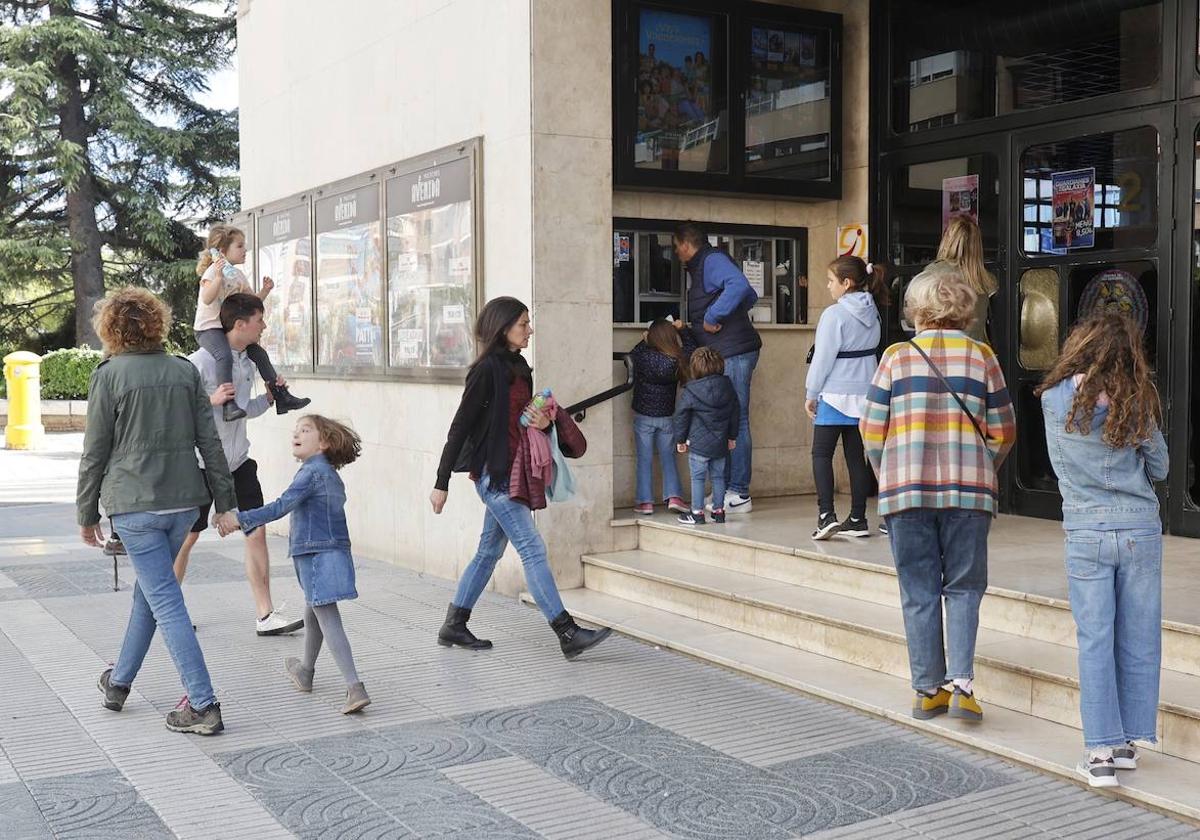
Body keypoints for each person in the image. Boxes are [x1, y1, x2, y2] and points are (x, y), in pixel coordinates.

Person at [860, 267, 1016, 723]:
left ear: (916, 310)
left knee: (918, 590)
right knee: (965, 588)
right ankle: (963, 686)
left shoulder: (895, 357)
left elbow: (871, 429)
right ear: (965, 310)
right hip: (969, 492)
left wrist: (887, 471)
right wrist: (984, 466)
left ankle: (928, 690)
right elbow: (1004, 429)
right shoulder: (982, 356)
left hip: (906, 491)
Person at [78, 287, 236, 736]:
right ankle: (119, 683)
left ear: (110, 327)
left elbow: (95, 451)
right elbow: (210, 442)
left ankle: (203, 704)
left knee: (164, 599)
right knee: (150, 594)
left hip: (135, 506)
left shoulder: (108, 375)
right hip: (184, 502)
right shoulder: (184, 371)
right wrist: (225, 502)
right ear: (156, 323)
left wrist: (86, 512)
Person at [431, 297, 612, 659]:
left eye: (528, 323)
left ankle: (454, 624)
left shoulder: (519, 366)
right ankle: (566, 632)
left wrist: (537, 419)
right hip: (496, 476)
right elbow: (461, 425)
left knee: (488, 551)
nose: (530, 330)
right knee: (532, 548)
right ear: (503, 328)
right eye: (523, 324)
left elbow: (511, 421)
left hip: (514, 471)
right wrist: (441, 481)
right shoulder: (487, 370)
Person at [1037, 312, 1168, 789]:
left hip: (1086, 530)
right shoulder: (1137, 399)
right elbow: (1163, 465)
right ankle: (1129, 743)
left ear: (1079, 346)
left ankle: (1100, 755)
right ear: (1130, 353)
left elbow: (1056, 463)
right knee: (1138, 636)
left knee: (1095, 638)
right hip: (1139, 530)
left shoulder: (1053, 399)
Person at [174, 294, 305, 637]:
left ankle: (266, 614)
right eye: (260, 320)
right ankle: (167, 614)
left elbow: (245, 410)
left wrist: (270, 399)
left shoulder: (247, 363)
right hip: (201, 465)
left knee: (256, 531)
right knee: (185, 539)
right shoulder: (199, 362)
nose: (264, 326)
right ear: (240, 324)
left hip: (240, 463)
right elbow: (175, 410)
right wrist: (210, 400)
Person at [227, 415, 370, 715]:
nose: (297, 433)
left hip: (316, 553)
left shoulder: (311, 473)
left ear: (324, 443)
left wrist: (240, 519)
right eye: (296, 430)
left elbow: (282, 505)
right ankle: (305, 671)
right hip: (332, 551)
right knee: (315, 608)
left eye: (306, 430)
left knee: (328, 616)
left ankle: (355, 686)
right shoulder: (329, 474)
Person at [672, 222, 761, 513]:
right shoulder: (705, 265)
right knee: (726, 418)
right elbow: (749, 297)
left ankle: (739, 491)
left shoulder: (712, 261)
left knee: (738, 418)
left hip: (734, 351)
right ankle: (727, 490)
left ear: (685, 245)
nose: (676, 254)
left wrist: (712, 315)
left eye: (676, 248)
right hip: (729, 350)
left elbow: (741, 287)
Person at [805, 256, 888, 540]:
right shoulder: (873, 312)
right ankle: (858, 517)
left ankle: (826, 514)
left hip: (835, 392)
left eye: (831, 281)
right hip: (865, 393)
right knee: (856, 456)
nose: (828, 286)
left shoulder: (834, 315)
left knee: (821, 453)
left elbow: (823, 359)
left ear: (846, 283)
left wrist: (811, 392)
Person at [195, 223, 309, 421]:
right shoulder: (213, 272)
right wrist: (219, 278)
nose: (244, 250)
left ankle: (281, 395)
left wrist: (265, 291)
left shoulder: (237, 275)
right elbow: (207, 298)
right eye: (239, 246)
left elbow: (251, 304)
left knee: (259, 353)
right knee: (224, 356)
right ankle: (228, 404)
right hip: (209, 329)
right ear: (222, 251)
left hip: (226, 328)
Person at [629, 318, 695, 515]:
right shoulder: (677, 358)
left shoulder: (643, 356)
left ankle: (645, 502)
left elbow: (631, 356)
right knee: (668, 457)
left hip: (643, 416)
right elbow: (693, 348)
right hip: (667, 417)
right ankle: (674, 497)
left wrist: (643, 340)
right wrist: (682, 330)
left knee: (644, 459)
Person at [673, 347, 739, 526]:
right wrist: (732, 437)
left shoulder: (691, 391)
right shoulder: (729, 388)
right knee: (718, 477)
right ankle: (719, 512)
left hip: (698, 445)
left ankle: (697, 513)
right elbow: (735, 413)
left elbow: (681, 416)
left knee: (698, 478)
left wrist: (680, 440)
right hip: (720, 444)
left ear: (695, 368)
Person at [927, 216, 997, 343]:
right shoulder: (987, 280)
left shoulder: (934, 272)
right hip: (976, 353)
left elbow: (913, 317)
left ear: (948, 240)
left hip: (943, 351)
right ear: (977, 245)